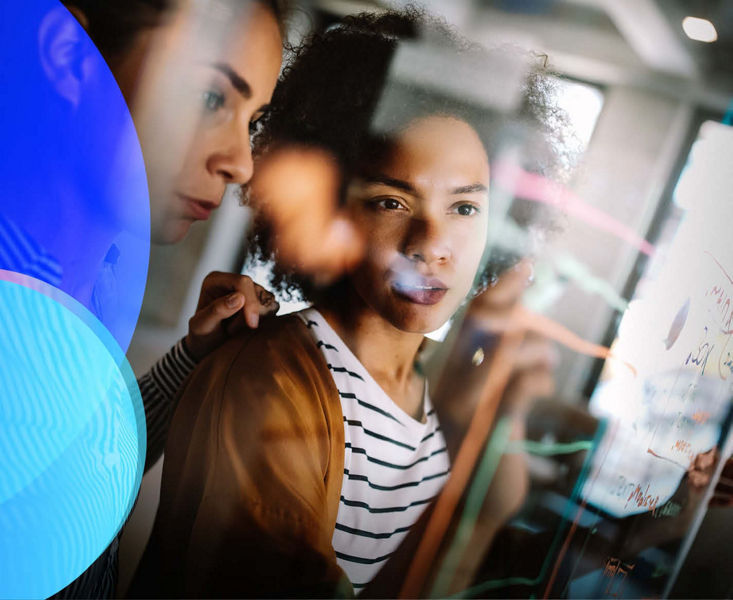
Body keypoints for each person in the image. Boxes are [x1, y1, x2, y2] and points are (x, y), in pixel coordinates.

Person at [128, 9, 565, 597]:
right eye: (392, 202)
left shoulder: (438, 389)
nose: (432, 245)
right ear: (333, 209)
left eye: (464, 208)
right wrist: (471, 508)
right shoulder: (274, 386)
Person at [41, 0, 289, 596]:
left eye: (252, 121)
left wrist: (190, 362)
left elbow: (75, 481)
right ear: (73, 54)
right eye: (211, 98)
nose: (240, 163)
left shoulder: (91, 280)